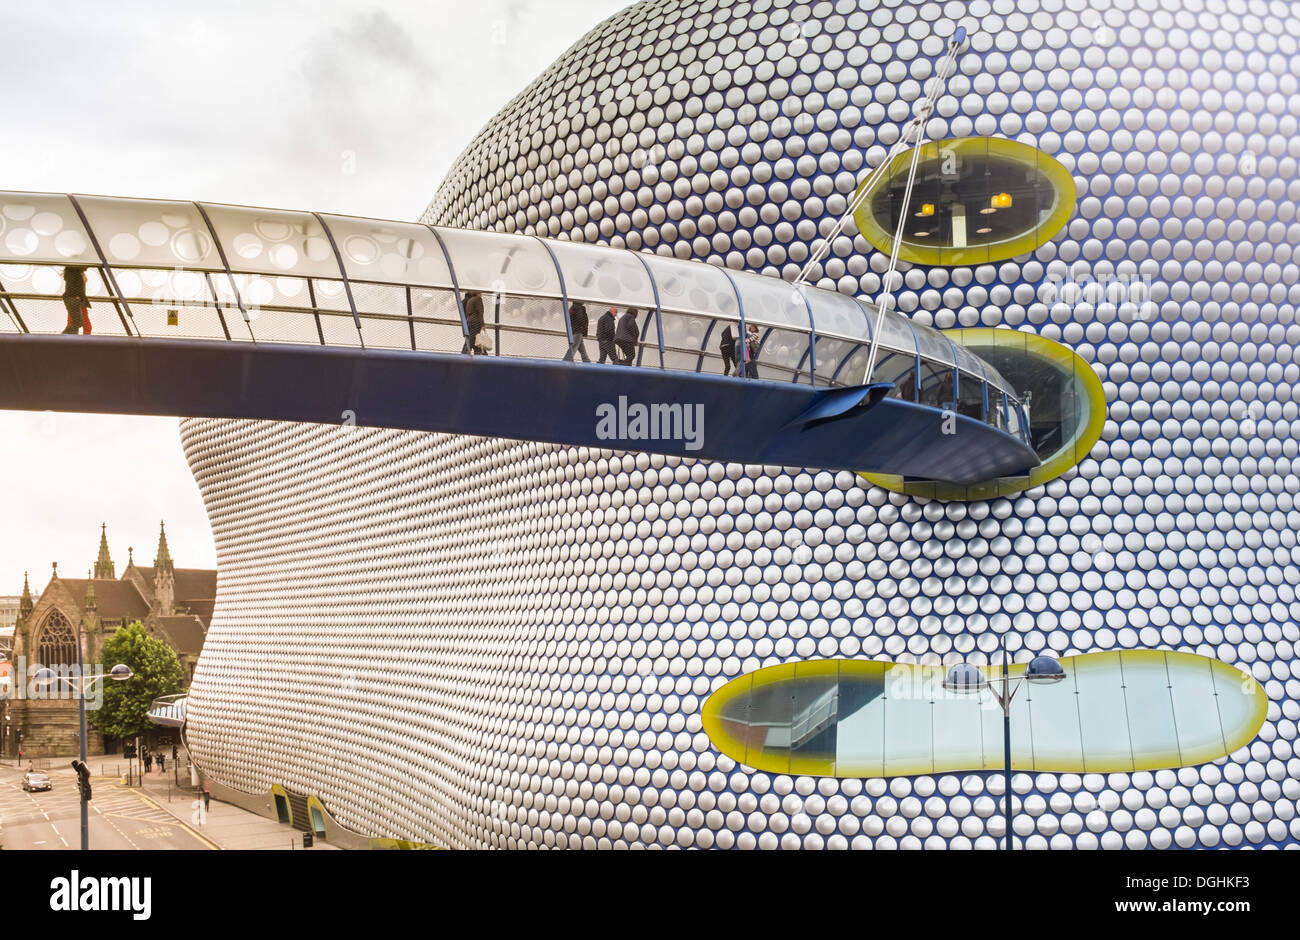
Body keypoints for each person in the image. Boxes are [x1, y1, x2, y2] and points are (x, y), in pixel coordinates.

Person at [61, 265, 92, 335]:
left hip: (78, 299)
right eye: (86, 266)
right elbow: (74, 287)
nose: (87, 268)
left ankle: (68, 338)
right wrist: (77, 297)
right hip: (76, 299)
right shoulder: (74, 273)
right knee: (79, 323)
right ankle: (86, 341)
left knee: (75, 322)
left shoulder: (75, 273)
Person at [461, 290, 485, 354]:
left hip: (469, 321)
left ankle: (480, 353)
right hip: (476, 322)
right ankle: (464, 353)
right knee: (471, 340)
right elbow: (480, 313)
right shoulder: (478, 299)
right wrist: (482, 324)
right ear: (478, 292)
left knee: (473, 339)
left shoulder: (470, 300)